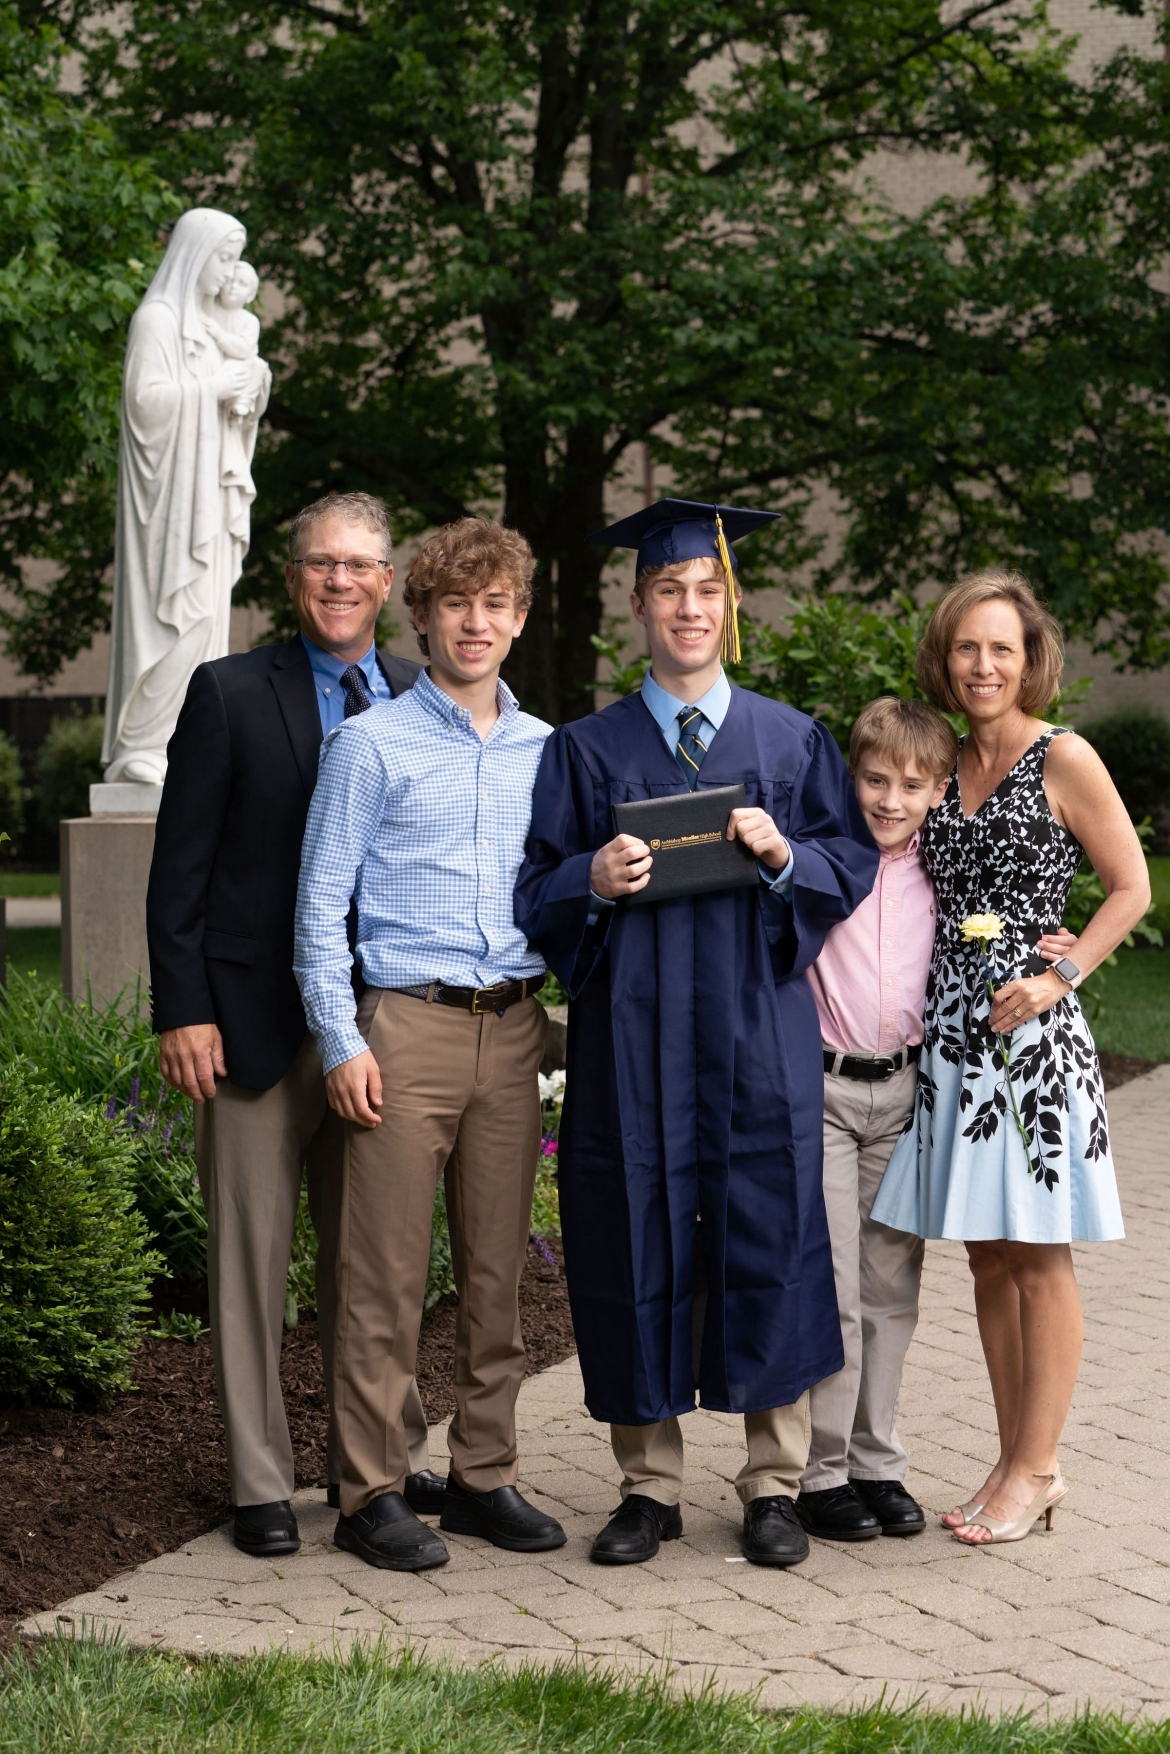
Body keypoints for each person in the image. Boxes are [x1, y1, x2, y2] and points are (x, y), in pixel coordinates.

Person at [515, 498, 879, 1568]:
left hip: (755, 1033)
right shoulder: (587, 748)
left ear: (729, 605)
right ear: (638, 604)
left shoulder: (789, 737)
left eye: (706, 589)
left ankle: (771, 1480)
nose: (687, 605)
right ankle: (648, 1483)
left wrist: (785, 857)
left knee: (767, 1228)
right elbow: (534, 885)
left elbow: (845, 863)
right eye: (668, 588)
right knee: (634, 1226)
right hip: (632, 1037)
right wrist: (588, 877)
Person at [147, 490, 439, 1560]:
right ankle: (259, 1481)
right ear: (293, 576)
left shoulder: (420, 691)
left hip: (385, 1022)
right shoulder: (228, 692)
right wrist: (182, 1006)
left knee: (379, 1261)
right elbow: (179, 865)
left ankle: (382, 1461)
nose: (341, 580)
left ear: (388, 582)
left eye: (361, 564)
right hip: (255, 1026)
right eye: (323, 562)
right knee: (251, 1261)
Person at [294, 517, 565, 1574]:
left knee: (498, 1272)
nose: (476, 622)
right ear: (422, 613)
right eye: (457, 603)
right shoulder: (369, 744)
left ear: (521, 618)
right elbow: (320, 906)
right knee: (384, 1274)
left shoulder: (551, 749)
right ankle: (371, 1485)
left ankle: (485, 1472)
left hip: (513, 1027)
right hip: (402, 1026)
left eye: (496, 604)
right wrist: (340, 1038)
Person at [872, 570, 1150, 1546]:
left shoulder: (1063, 755)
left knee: (1038, 1249)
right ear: (944, 658)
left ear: (1031, 658)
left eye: (1002, 647)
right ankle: (1011, 1455)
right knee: (986, 1252)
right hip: (953, 1026)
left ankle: (1039, 1465)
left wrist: (1059, 973)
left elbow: (1131, 887)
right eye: (966, 647)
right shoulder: (938, 760)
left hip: (1031, 1032)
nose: (984, 664)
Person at [104, 208, 269, 786]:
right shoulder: (156, 321)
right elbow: (145, 404)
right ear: (195, 255)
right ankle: (144, 741)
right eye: (223, 257)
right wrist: (214, 388)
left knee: (207, 617)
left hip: (210, 496)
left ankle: (189, 737)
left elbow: (243, 386)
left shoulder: (219, 323)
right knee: (175, 616)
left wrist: (254, 381)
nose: (230, 271)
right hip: (170, 507)